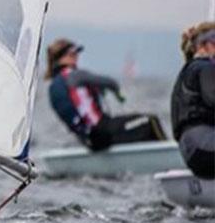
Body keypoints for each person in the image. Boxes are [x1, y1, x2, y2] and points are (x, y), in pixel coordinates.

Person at [45, 39, 166, 151]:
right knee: (150, 121)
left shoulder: (54, 87)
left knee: (135, 127)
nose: (77, 56)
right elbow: (111, 83)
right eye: (73, 54)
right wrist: (117, 94)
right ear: (62, 57)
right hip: (103, 131)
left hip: (89, 140)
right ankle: (169, 156)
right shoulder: (74, 75)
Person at [171, 22, 215, 179]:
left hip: (193, 151)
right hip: (204, 147)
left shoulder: (189, 69)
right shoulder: (205, 68)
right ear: (204, 45)